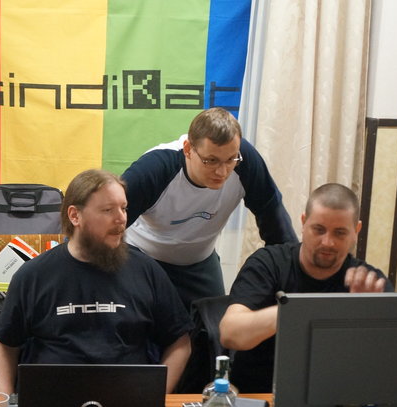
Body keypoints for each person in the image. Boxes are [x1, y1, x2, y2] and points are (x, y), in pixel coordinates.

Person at [0, 169, 192, 395]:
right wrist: (3, 402)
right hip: (51, 401)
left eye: (124, 208)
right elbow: (4, 344)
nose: (121, 219)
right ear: (75, 216)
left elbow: (180, 342)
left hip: (127, 401)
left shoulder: (146, 270)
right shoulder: (33, 275)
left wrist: (156, 397)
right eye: (108, 210)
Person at [219, 183, 393, 392]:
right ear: (303, 222)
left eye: (339, 233)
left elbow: (391, 361)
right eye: (319, 230)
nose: (327, 242)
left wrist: (367, 317)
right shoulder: (268, 264)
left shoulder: (368, 284)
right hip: (259, 395)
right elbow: (230, 334)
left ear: (356, 231)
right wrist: (298, 312)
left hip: (335, 398)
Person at [121, 107, 297, 308]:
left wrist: (293, 283)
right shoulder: (154, 168)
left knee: (215, 324)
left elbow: (276, 225)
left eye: (230, 160)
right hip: (144, 258)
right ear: (188, 149)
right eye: (211, 161)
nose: (222, 172)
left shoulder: (245, 161)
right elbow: (107, 226)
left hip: (200, 262)